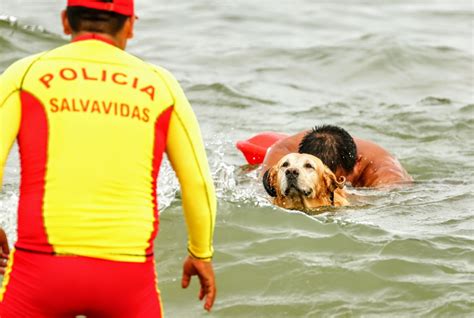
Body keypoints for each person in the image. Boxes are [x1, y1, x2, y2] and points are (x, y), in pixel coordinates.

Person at [0, 0, 217, 316]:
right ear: (129, 25)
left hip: (39, 271)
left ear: (65, 21)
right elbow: (197, 181)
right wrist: (201, 253)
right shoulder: (161, 85)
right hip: (127, 278)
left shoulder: (25, 74)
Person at [262, 124, 413, 188]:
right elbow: (278, 150)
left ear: (357, 164)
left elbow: (385, 204)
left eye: (339, 180)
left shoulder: (388, 178)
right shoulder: (292, 145)